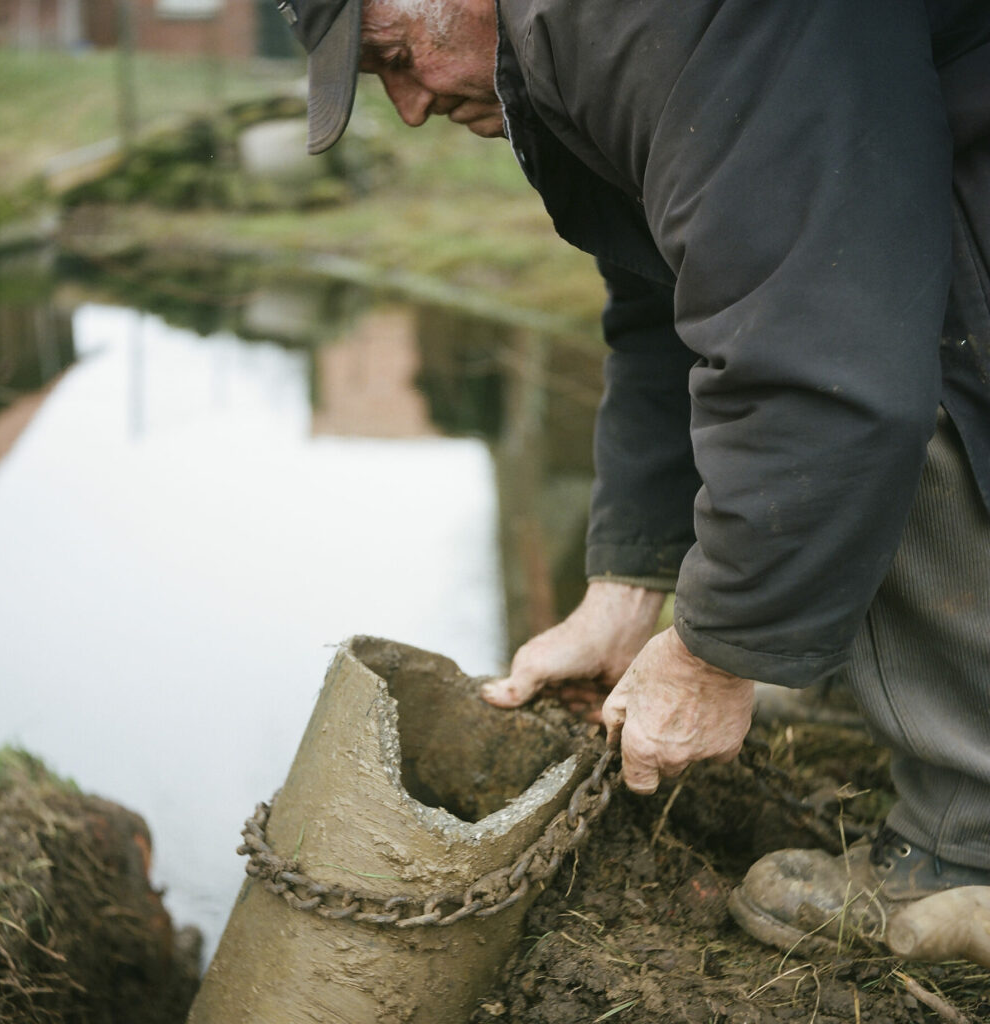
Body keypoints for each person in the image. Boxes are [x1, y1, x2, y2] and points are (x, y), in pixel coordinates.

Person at [276, 0, 990, 964]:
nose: (407, 106)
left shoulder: (629, 20)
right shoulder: (579, 52)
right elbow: (680, 302)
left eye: (399, 57)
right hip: (921, 156)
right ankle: (885, 679)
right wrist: (627, 589)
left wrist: (713, 655)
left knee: (893, 369)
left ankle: (965, 850)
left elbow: (814, 355)